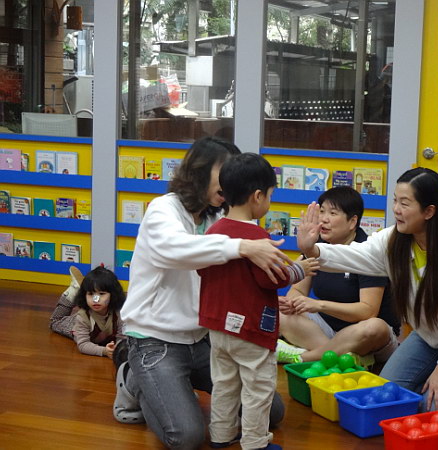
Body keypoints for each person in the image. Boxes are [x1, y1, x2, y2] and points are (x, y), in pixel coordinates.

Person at [113, 137, 293, 450]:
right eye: (224, 171)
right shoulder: (163, 209)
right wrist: (243, 246)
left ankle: (170, 386)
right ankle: (135, 379)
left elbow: (231, 275)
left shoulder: (217, 218)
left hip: (206, 338)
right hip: (155, 340)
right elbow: (177, 250)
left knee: (271, 410)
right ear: (200, 170)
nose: (229, 180)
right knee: (187, 437)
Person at [297, 167, 438, 416]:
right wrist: (313, 250)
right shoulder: (396, 239)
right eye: (395, 200)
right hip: (431, 334)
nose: (396, 209)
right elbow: (359, 255)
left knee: (432, 409)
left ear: (429, 211)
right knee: (385, 396)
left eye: (405, 203)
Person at [198, 153, 319, 450]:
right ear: (257, 196)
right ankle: (254, 442)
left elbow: (201, 268)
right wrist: (300, 269)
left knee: (224, 383)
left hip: (216, 326)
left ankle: (221, 434)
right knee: (258, 387)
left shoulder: (213, 231)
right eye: (270, 195)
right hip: (251, 328)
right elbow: (273, 279)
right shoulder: (257, 237)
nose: (269, 202)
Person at [276, 186, 400, 367]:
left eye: (333, 213)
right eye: (322, 211)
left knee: (374, 326)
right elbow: (298, 289)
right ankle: (343, 358)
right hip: (326, 332)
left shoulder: (368, 251)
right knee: (278, 312)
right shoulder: (316, 247)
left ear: (352, 222)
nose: (324, 219)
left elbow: (367, 311)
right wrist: (292, 302)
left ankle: (303, 358)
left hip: (366, 336)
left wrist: (319, 305)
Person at [49, 265, 125, 358]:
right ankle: (73, 292)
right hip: (77, 324)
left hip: (98, 331)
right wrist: (104, 351)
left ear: (113, 295)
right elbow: (83, 344)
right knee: (55, 322)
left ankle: (84, 289)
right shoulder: (82, 317)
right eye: (90, 294)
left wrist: (117, 348)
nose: (96, 300)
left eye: (101, 294)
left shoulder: (119, 313)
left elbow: (122, 338)